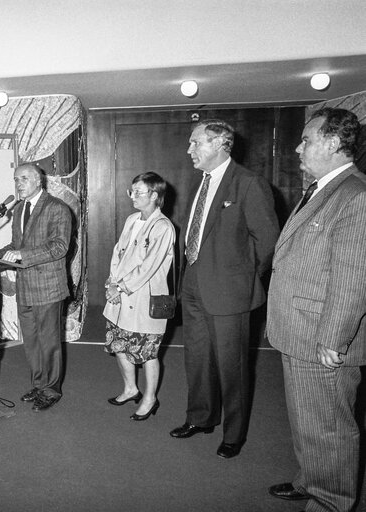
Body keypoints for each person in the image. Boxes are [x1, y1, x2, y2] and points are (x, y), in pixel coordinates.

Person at [266, 107, 366, 512]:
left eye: (306, 139)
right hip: (300, 329)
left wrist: (333, 337)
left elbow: (354, 273)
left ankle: (331, 501)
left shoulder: (355, 195)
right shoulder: (325, 188)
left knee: (328, 430)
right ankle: (312, 480)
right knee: (309, 422)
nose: (297, 147)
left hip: (321, 337)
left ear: (333, 142)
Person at [170, 119, 279, 459]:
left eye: (195, 143)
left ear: (219, 144)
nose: (190, 150)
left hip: (229, 291)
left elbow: (269, 241)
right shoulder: (200, 182)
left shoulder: (248, 183)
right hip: (192, 284)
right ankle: (200, 418)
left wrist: (241, 277)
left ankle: (234, 434)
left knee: (232, 367)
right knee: (197, 358)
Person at [0, 163, 72, 412]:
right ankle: (39, 383)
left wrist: (21, 254)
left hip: (48, 286)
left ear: (38, 180)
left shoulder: (57, 208)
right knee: (31, 341)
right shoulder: (19, 209)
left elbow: (59, 247)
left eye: (23, 178)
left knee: (49, 342)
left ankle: (51, 390)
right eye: (15, 179)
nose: (18, 183)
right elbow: (15, 244)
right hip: (25, 286)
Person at [103, 172, 174, 421]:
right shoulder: (132, 219)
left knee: (147, 353)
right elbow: (118, 252)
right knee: (120, 346)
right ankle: (131, 389)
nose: (133, 196)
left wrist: (120, 287)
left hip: (143, 299)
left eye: (139, 192)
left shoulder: (163, 227)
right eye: (131, 191)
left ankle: (150, 398)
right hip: (119, 295)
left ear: (155, 195)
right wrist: (112, 281)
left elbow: (148, 267)